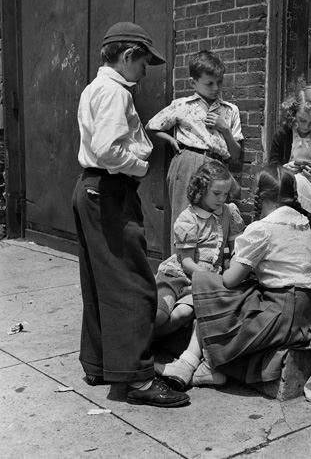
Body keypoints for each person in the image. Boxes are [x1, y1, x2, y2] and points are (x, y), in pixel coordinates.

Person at [72, 21, 189, 407]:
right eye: (143, 63)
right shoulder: (114, 92)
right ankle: (137, 380)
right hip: (109, 190)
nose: (144, 71)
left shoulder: (97, 87)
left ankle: (101, 362)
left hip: (92, 189)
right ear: (126, 57)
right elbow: (107, 149)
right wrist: (140, 164)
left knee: (100, 280)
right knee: (136, 284)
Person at [155, 165, 311, 389]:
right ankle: (206, 367)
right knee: (239, 291)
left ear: (260, 198)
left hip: (281, 313)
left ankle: (188, 362)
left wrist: (232, 264)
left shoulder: (263, 228)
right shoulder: (302, 222)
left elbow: (230, 280)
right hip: (307, 314)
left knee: (210, 286)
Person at [146, 50, 243, 248]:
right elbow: (151, 126)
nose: (215, 88)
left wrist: (225, 129)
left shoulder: (230, 110)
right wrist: (169, 139)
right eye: (209, 83)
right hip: (188, 162)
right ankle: (178, 273)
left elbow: (236, 155)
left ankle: (210, 268)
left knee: (216, 220)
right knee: (184, 218)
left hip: (218, 166)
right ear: (193, 83)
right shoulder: (182, 105)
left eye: (219, 82)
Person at [154, 160, 245, 337]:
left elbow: (236, 250)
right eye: (216, 193)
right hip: (178, 276)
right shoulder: (189, 218)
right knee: (159, 313)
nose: (222, 199)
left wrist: (230, 273)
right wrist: (211, 278)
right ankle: (133, 345)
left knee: (182, 314)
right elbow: (186, 262)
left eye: (225, 194)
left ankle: (151, 344)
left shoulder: (229, 213)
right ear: (201, 190)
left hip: (205, 280)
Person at [269, 84, 311, 228]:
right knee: (298, 182)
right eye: (302, 120)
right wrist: (284, 169)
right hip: (287, 183)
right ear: (293, 113)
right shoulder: (283, 134)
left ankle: (305, 229)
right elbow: (271, 166)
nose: (306, 127)